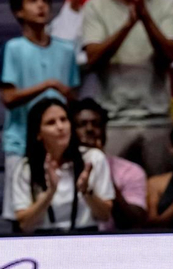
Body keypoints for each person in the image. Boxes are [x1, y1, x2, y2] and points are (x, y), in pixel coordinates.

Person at [80, 0, 173, 174]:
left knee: (159, 194)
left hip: (157, 119)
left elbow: (169, 55)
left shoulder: (165, 6)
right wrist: (128, 23)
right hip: (114, 121)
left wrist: (144, 14)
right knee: (109, 196)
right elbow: (93, 59)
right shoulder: (96, 8)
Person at [0, 0, 79, 221]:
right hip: (20, 143)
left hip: (60, 145)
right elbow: (8, 97)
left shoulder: (66, 50)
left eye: (44, 0)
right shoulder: (12, 48)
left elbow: (72, 95)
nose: (41, 6)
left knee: (64, 208)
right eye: (33, 1)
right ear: (18, 12)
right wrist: (48, 85)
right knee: (22, 213)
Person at [10, 99, 115, 234]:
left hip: (86, 236)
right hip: (44, 240)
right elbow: (24, 224)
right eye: (51, 123)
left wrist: (87, 192)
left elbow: (105, 215)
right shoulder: (25, 167)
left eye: (64, 119)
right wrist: (50, 193)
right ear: (38, 134)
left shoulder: (93, 158)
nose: (60, 127)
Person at [70, 97, 150, 230]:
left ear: (105, 129)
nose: (90, 129)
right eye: (82, 124)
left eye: (96, 124)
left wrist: (104, 171)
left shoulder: (131, 171)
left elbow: (134, 221)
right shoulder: (61, 169)